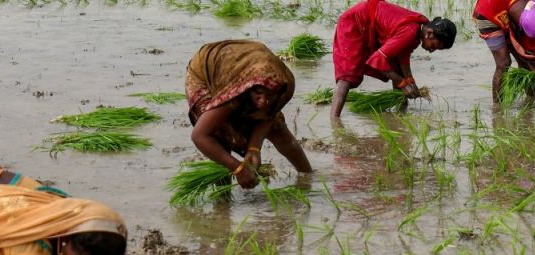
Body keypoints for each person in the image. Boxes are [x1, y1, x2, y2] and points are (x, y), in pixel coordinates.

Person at [185, 39, 312, 190]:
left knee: (278, 129)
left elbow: (268, 116)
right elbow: (199, 136)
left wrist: (254, 149)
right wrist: (237, 168)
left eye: (269, 96)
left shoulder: (284, 85)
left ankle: (308, 177)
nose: (263, 102)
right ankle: (223, 201)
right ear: (249, 89)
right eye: (258, 94)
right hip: (206, 72)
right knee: (220, 134)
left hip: (245, 67)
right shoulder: (238, 89)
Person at [331, 0, 456, 118]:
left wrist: (410, 81)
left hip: (368, 24)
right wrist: (402, 83)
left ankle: (401, 112)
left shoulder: (418, 31)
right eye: (434, 46)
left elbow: (403, 55)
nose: (432, 51)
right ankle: (335, 120)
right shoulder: (410, 31)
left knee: (396, 66)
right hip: (354, 23)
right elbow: (377, 60)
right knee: (348, 75)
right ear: (429, 33)